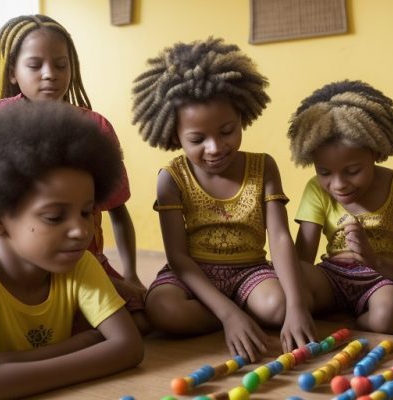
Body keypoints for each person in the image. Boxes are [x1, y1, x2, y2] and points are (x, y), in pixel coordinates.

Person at [0, 14, 146, 332]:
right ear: (13, 73)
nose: (50, 75)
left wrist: (130, 274)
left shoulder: (95, 127)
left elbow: (118, 211)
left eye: (61, 65)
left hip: (77, 257)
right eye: (35, 65)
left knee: (142, 319)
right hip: (13, 263)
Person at [133, 37, 313, 361]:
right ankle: (234, 317)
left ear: (242, 117)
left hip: (250, 271)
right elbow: (178, 257)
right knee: (163, 308)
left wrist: (297, 308)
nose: (215, 148)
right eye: (198, 139)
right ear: (175, 135)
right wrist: (230, 315)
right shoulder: (172, 177)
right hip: (194, 274)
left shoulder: (263, 167)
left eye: (227, 131)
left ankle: (237, 314)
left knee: (280, 306)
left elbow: (281, 238)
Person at [0, 101, 144, 399]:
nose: (81, 231)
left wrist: (8, 364)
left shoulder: (80, 263)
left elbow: (129, 348)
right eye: (55, 217)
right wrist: (86, 343)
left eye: (86, 212)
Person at [288, 80, 393, 334]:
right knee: (289, 282)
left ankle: (347, 327)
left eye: (352, 171)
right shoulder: (315, 189)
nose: (338, 185)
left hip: (380, 279)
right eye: (324, 172)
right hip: (332, 276)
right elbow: (302, 257)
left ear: (376, 152)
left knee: (387, 316)